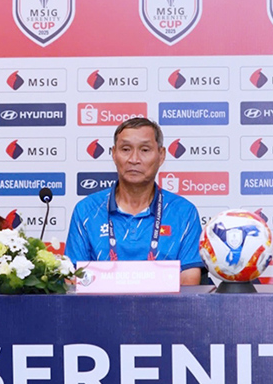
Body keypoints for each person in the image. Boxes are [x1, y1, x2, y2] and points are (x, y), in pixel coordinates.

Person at [65, 117, 203, 285]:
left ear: (161, 155)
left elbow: (190, 280)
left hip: (166, 310)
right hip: (99, 310)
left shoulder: (183, 212)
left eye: (145, 150)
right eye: (125, 149)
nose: (134, 159)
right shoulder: (86, 210)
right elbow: (71, 279)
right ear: (114, 154)